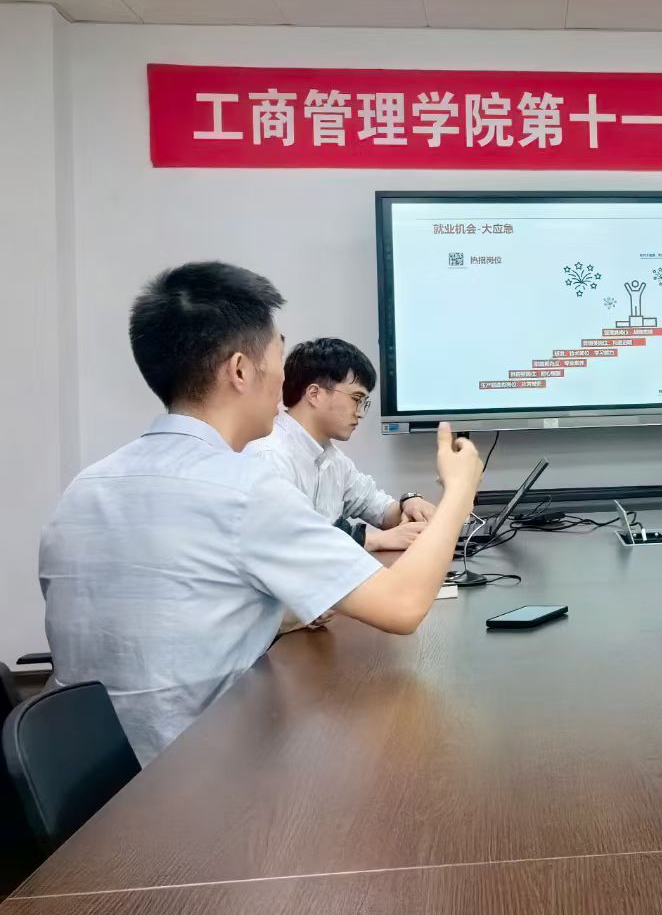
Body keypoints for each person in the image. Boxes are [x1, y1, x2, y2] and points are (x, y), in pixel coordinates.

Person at [38, 262, 485, 764]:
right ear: (240, 371)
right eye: (278, 359)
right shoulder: (244, 487)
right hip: (196, 777)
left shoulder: (84, 487)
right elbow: (402, 607)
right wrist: (459, 492)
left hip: (91, 781)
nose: (284, 380)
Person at [248, 338, 434, 555]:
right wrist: (375, 540)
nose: (361, 413)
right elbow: (286, 542)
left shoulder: (333, 459)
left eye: (363, 403)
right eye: (356, 399)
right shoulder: (270, 456)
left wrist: (409, 502)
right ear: (315, 394)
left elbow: (379, 509)